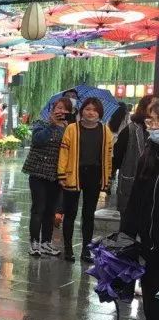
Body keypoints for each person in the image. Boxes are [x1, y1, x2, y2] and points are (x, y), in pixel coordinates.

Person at [120, 99, 159, 320]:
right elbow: (137, 199)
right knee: (153, 308)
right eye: (149, 121)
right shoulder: (150, 152)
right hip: (151, 246)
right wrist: (126, 236)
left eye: (156, 121)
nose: (151, 126)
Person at [58, 97, 113, 263]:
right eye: (88, 109)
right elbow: (64, 153)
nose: (91, 112)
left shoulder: (105, 131)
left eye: (94, 110)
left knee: (89, 215)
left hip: (94, 176)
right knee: (70, 213)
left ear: (99, 113)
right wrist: (61, 174)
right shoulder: (72, 129)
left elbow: (108, 157)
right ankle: (68, 249)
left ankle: (86, 250)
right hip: (74, 174)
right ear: (82, 111)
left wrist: (107, 177)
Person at [23, 98, 72, 258]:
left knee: (51, 210)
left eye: (65, 109)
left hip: (56, 175)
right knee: (38, 208)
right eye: (59, 107)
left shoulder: (69, 129)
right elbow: (38, 140)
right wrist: (52, 125)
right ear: (53, 109)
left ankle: (46, 242)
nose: (61, 111)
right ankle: (34, 243)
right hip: (38, 173)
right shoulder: (42, 123)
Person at [113, 94, 154, 214]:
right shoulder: (130, 130)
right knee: (130, 216)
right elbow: (118, 156)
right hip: (132, 183)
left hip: (153, 185)